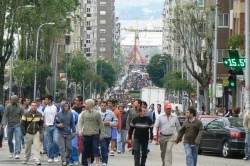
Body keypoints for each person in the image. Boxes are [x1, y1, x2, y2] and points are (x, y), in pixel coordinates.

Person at [78, 99, 105, 166]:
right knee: (87, 149)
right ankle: (89, 163)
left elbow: (101, 124)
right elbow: (80, 123)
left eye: (86, 104)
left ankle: (97, 162)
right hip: (86, 134)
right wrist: (80, 130)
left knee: (96, 147)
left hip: (95, 134)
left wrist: (102, 134)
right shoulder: (83, 113)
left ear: (90, 104)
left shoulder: (97, 114)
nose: (85, 105)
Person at [99, 101, 118, 166]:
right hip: (100, 134)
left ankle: (102, 157)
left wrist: (109, 123)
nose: (103, 107)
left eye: (104, 105)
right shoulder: (97, 113)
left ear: (107, 106)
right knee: (103, 147)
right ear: (100, 106)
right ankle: (104, 161)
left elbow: (116, 121)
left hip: (108, 133)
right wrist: (101, 123)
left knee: (106, 147)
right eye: (102, 105)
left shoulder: (110, 113)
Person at [43, 95, 60, 163]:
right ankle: (50, 156)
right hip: (47, 127)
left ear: (50, 100)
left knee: (55, 140)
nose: (45, 101)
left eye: (46, 99)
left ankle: (56, 155)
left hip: (54, 126)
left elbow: (58, 115)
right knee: (49, 143)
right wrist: (44, 124)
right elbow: (43, 116)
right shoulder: (44, 108)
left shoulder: (56, 107)